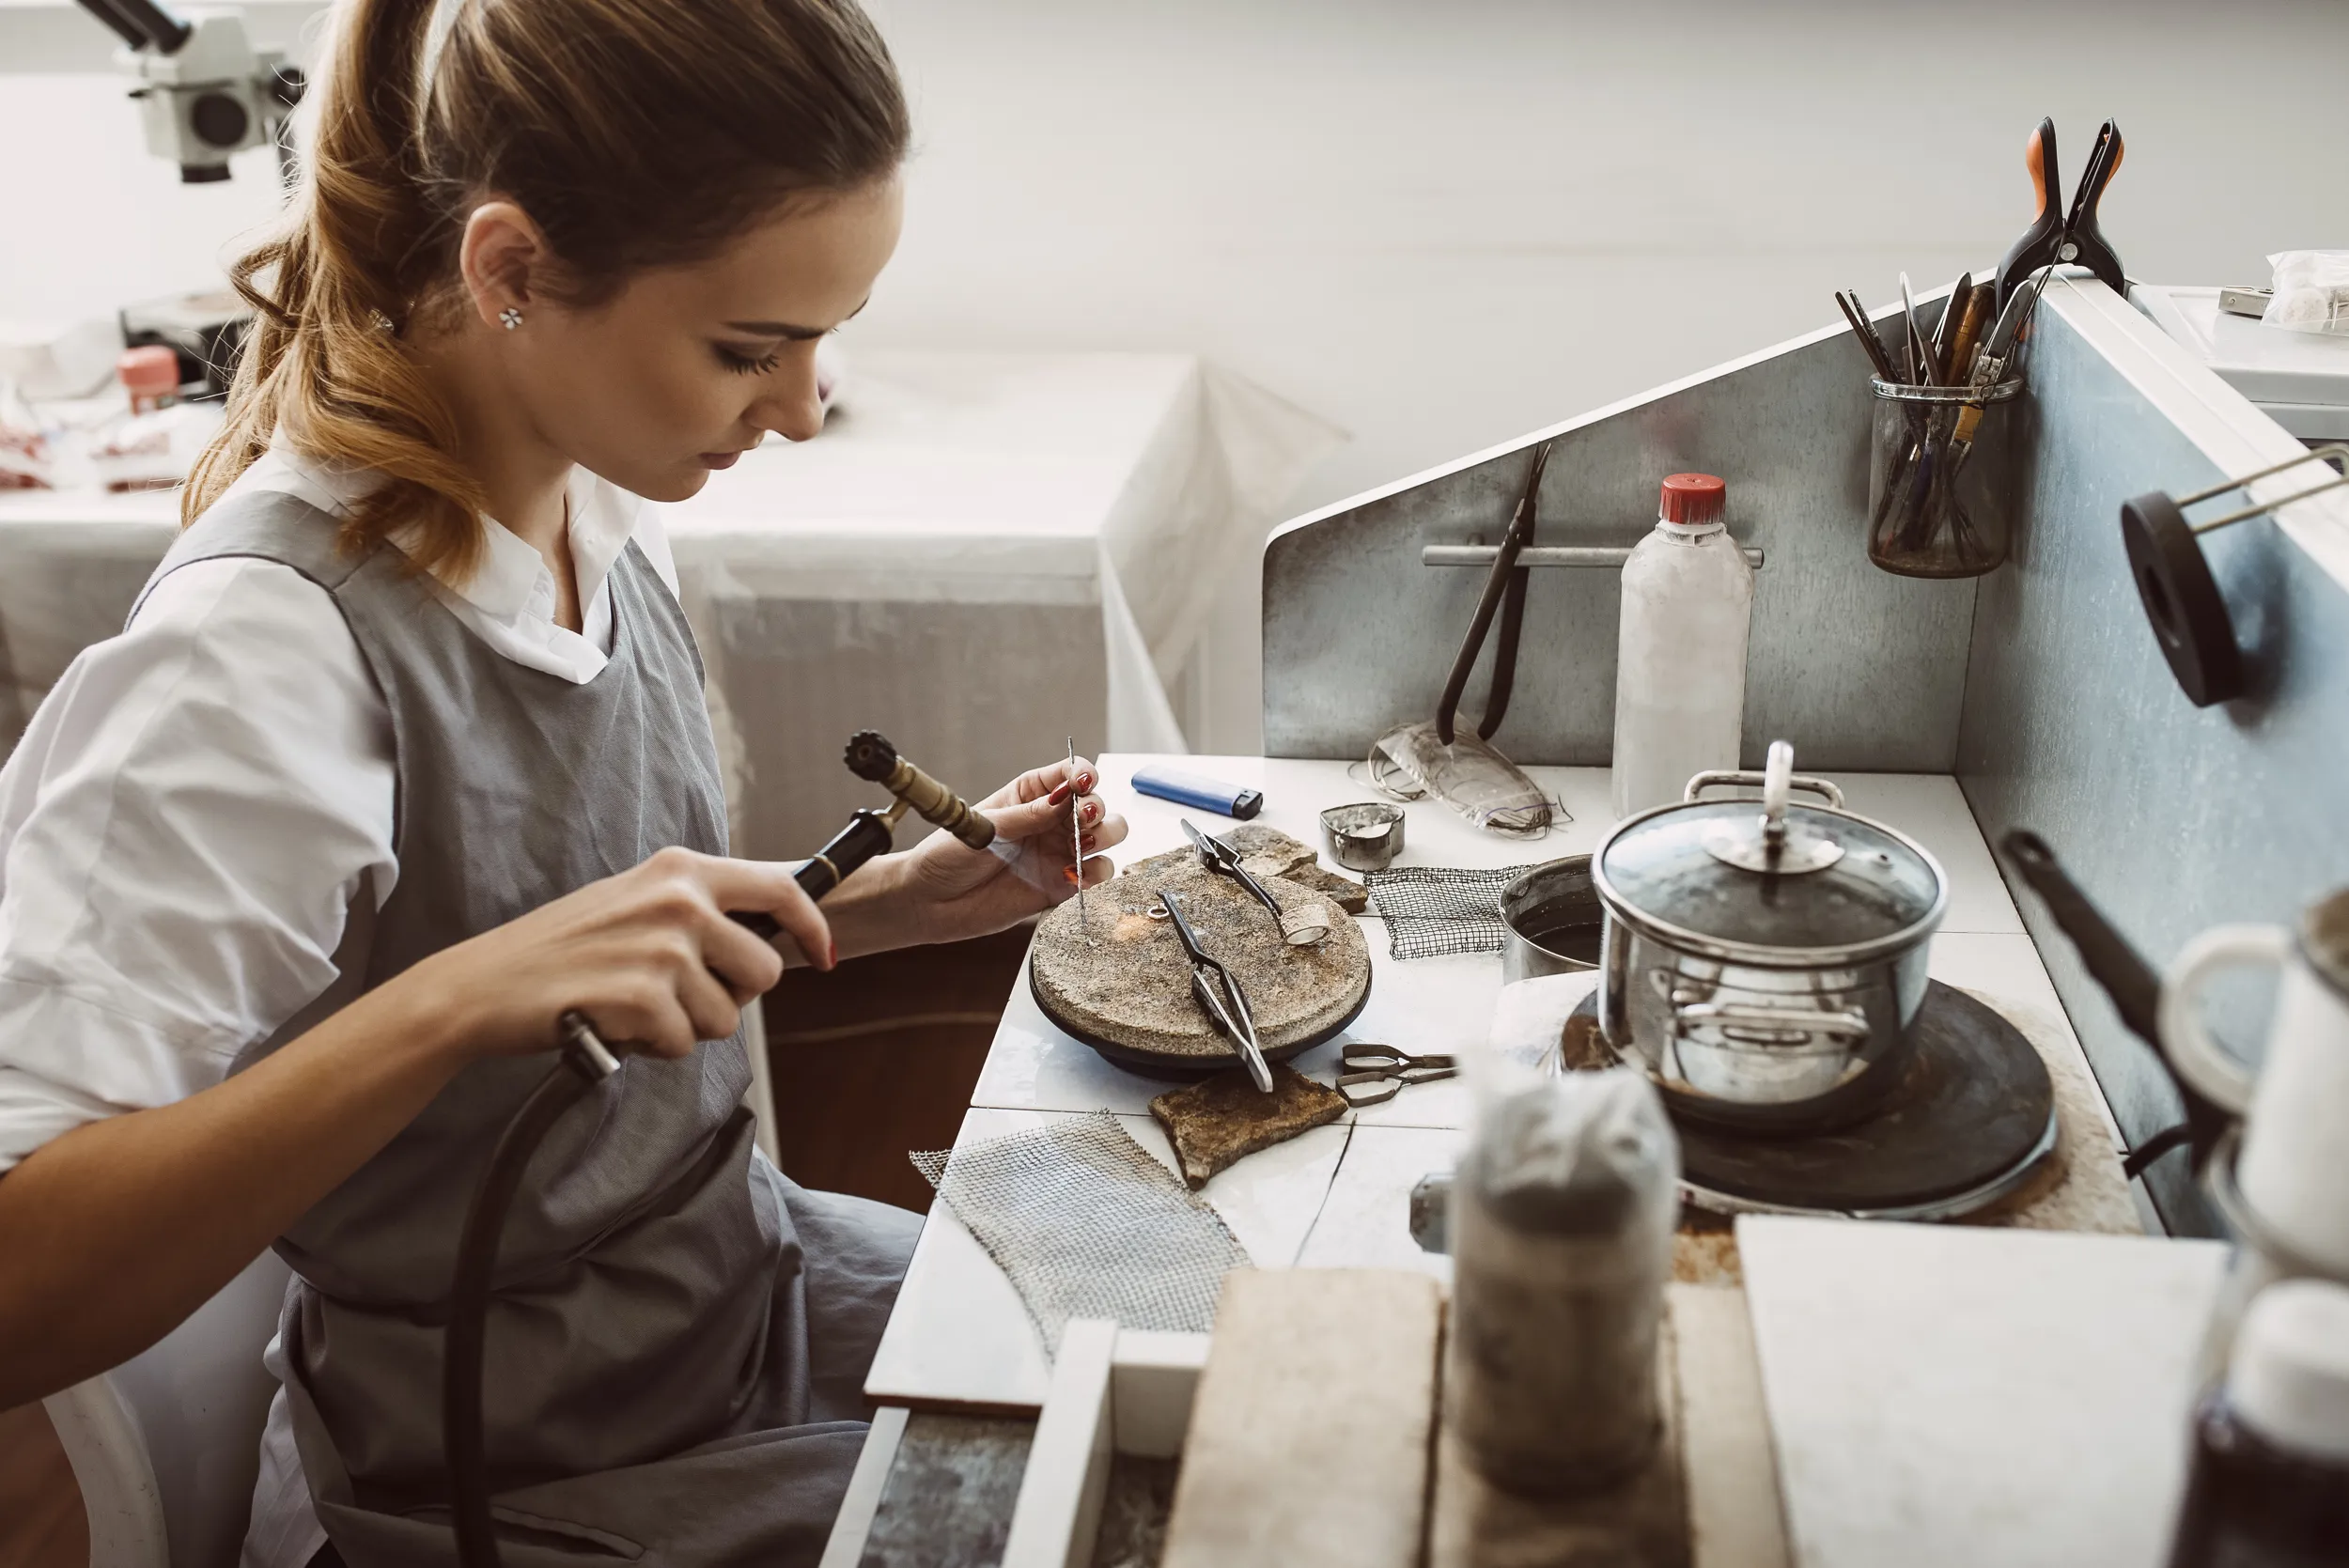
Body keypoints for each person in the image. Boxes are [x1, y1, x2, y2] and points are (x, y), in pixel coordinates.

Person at [0, 0, 1128, 1561]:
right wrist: (453, 998)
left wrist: (883, 908)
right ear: (513, 271)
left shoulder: (594, 506)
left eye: (827, 339)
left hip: (737, 1302)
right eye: (750, 349)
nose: (802, 410)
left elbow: (574, 971)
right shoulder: (259, 660)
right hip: (525, 1462)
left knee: (1168, 1349)